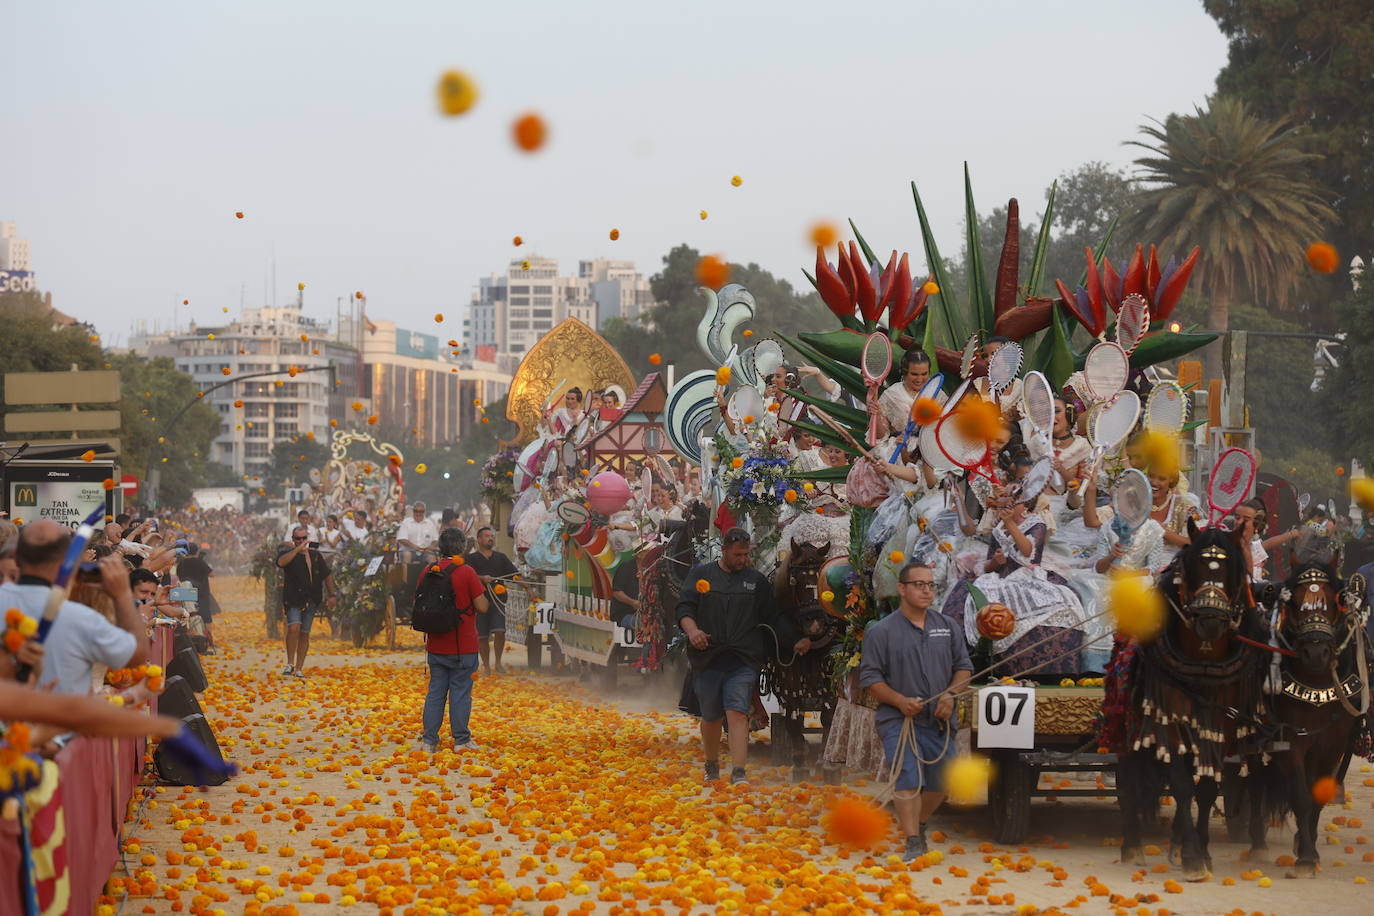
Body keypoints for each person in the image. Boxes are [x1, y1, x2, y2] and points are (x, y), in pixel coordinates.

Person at [675, 527, 812, 785]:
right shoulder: (701, 575)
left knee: (737, 711)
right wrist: (693, 632)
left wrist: (795, 640)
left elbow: (772, 617)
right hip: (707, 658)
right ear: (724, 549)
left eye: (746, 555)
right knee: (711, 715)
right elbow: (684, 607)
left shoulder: (756, 581)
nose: (743, 560)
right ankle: (711, 764)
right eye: (737, 555)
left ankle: (739, 773)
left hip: (743, 659)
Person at [858, 561, 972, 861]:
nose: (926, 590)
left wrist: (949, 694)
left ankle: (919, 824)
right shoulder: (881, 632)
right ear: (902, 589)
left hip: (939, 717)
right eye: (919, 584)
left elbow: (963, 669)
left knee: (943, 781)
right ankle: (912, 841)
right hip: (898, 718)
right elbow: (870, 680)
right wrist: (899, 700)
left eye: (930, 585)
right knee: (908, 776)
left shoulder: (947, 626)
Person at [0, 520, 147, 695]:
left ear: (16, 556)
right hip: (61, 717)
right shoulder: (82, 617)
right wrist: (123, 595)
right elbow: (137, 654)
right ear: (66, 559)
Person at [421, 527, 489, 753]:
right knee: (460, 691)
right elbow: (482, 606)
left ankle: (429, 740)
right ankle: (461, 740)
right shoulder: (466, 572)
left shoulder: (428, 570)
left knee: (435, 692)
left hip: (436, 644)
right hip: (463, 645)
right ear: (462, 547)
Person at [276, 526, 337, 678]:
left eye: (304, 538)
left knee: (304, 633)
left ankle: (299, 668)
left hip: (312, 598)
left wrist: (332, 594)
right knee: (293, 628)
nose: (301, 541)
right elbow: (281, 563)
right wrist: (297, 550)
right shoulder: (287, 554)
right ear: (293, 540)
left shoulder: (315, 555)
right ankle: (290, 663)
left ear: (307, 538)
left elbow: (327, 575)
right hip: (293, 598)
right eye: (298, 539)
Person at [465, 526, 518, 674]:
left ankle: (498, 663)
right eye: (487, 536)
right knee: (482, 636)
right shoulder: (471, 559)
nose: (490, 538)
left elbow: (515, 575)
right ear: (479, 539)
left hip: (498, 600)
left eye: (492, 536)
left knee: (500, 632)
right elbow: (466, 575)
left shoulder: (501, 558)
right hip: (479, 601)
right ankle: (487, 666)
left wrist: (528, 588)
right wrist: (481, 578)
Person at [876, 349, 932, 435]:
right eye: (914, 374)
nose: (919, 379)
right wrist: (876, 415)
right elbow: (880, 437)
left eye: (924, 374)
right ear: (904, 372)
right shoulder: (891, 395)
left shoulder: (937, 392)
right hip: (900, 445)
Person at [176, 542, 220, 651]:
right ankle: (208, 641)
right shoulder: (200, 562)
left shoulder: (181, 563)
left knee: (187, 615)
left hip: (185, 593)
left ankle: (190, 641)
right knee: (206, 617)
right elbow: (212, 574)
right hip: (201, 593)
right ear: (197, 551)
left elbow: (178, 576)